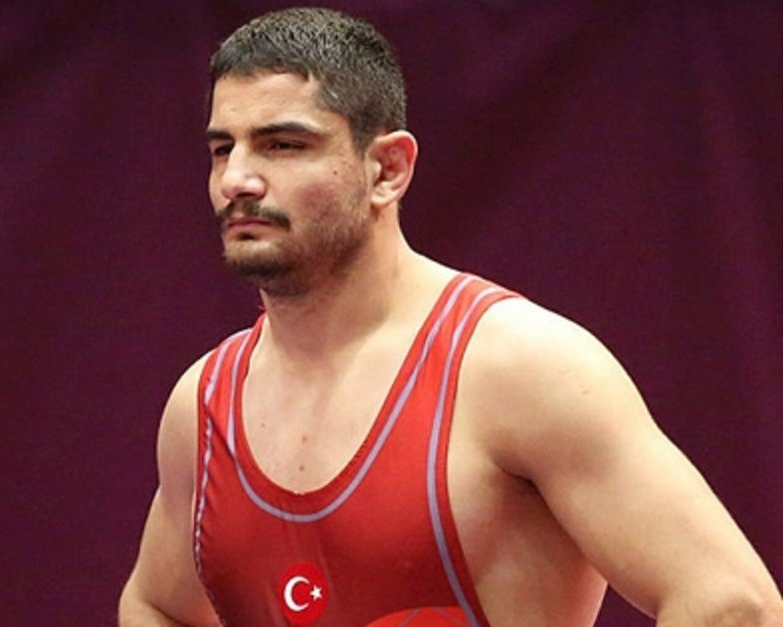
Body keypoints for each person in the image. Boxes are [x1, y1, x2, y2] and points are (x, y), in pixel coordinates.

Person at [118, 7, 782, 626]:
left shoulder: (519, 369)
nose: (236, 179)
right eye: (222, 149)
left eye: (283, 145)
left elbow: (733, 603)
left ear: (387, 169)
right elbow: (155, 604)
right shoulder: (202, 406)